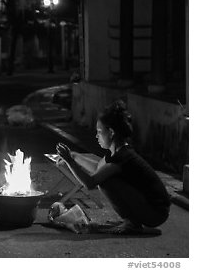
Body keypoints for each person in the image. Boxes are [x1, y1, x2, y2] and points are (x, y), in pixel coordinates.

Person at [56, 100, 170, 234]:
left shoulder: (122, 157)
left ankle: (132, 224)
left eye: (99, 131)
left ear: (111, 132)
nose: (96, 136)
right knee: (106, 179)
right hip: (151, 208)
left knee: (106, 182)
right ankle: (131, 221)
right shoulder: (117, 152)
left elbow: (90, 182)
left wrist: (69, 161)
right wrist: (74, 156)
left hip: (156, 212)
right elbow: (98, 168)